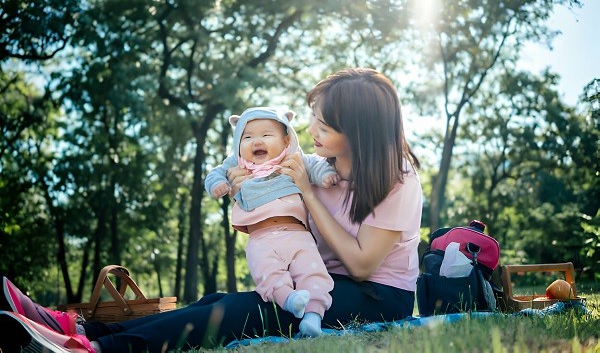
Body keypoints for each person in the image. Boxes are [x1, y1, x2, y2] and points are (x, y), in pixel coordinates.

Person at [0, 67, 423, 353]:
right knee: (217, 299)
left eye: (324, 127)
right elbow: (276, 219)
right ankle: (76, 329)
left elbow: (363, 264)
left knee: (245, 312)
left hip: (378, 297)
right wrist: (244, 188)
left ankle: (99, 350)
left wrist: (308, 195)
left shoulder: (396, 178)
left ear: (359, 132)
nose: (310, 132)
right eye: (313, 119)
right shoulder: (317, 168)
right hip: (324, 281)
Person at [204, 106, 337, 337]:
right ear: (238, 143)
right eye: (247, 137)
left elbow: (315, 166)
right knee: (267, 275)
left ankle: (313, 318)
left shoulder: (292, 159)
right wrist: (218, 185)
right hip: (260, 237)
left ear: (286, 140)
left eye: (266, 135)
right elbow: (214, 173)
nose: (257, 141)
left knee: (313, 273)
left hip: (297, 234)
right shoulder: (236, 165)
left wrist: (325, 176)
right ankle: (290, 300)